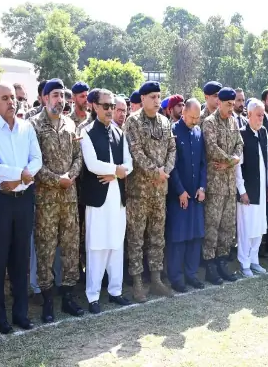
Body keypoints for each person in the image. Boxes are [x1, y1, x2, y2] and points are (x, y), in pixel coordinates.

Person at [0, 83, 41, 334]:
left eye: (12, 98)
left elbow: (37, 159)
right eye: (4, 98)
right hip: (0, 202)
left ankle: (20, 313)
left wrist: (19, 179)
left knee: (21, 258)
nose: (11, 102)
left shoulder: (27, 128)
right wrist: (23, 174)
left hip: (23, 199)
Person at [28, 79, 85, 323]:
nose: (59, 100)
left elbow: (78, 157)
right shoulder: (33, 126)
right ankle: (48, 301)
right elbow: (33, 164)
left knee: (71, 248)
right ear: (43, 98)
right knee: (46, 250)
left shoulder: (71, 124)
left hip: (69, 198)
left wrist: (70, 176)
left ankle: (69, 296)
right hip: (46, 201)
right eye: (54, 95)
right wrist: (56, 180)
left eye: (62, 95)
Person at [80, 89, 134, 313]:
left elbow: (129, 163)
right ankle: (92, 296)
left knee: (115, 245)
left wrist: (117, 173)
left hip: (117, 198)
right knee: (96, 247)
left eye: (113, 106)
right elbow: (92, 164)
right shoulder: (86, 132)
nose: (111, 110)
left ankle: (115, 291)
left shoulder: (119, 133)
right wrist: (116, 170)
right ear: (94, 106)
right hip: (97, 200)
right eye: (106, 106)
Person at [123, 81, 176, 302]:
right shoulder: (132, 122)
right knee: (136, 238)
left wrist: (167, 170)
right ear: (142, 98)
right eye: (152, 97)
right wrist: (156, 172)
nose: (156, 101)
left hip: (159, 191)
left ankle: (155, 279)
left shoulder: (165, 121)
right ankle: (137, 282)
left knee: (157, 237)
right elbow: (135, 152)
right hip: (139, 191)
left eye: (158, 96)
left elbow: (172, 148)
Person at [202, 87, 244, 283]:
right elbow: (211, 148)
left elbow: (240, 144)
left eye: (233, 104)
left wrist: (231, 161)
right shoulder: (210, 123)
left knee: (227, 227)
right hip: (215, 185)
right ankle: (210, 264)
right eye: (228, 104)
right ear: (219, 102)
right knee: (212, 226)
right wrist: (232, 160)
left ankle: (222, 262)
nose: (231, 107)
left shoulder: (234, 120)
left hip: (229, 184)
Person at [166, 99, 207, 290]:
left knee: (195, 236)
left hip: (196, 195)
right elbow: (171, 166)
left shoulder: (198, 132)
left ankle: (191, 274)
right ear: (183, 113)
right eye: (192, 117)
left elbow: (202, 163)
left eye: (198, 118)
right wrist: (180, 190)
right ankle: (176, 277)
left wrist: (202, 187)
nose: (195, 121)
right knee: (179, 238)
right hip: (178, 195)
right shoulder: (173, 131)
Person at [234, 99, 268, 278]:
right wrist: (242, 191)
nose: (261, 118)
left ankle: (254, 260)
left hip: (262, 188)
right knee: (246, 229)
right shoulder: (241, 134)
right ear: (248, 115)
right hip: (248, 190)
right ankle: (244, 263)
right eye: (258, 115)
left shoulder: (264, 132)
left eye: (263, 115)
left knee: (259, 227)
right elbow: (238, 166)